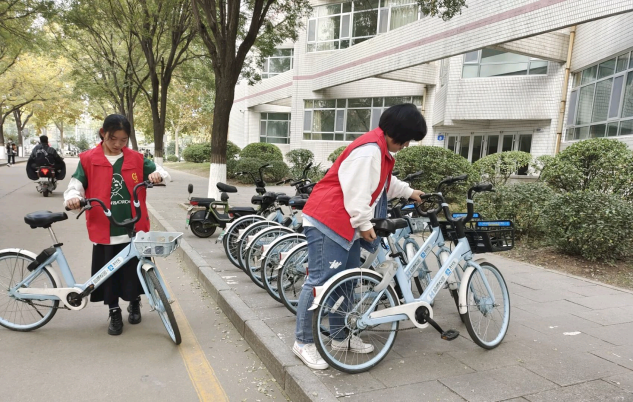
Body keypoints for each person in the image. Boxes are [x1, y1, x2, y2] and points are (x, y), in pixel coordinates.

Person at [293, 103, 427, 370]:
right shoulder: (369, 151)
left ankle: (340, 337)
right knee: (319, 282)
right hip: (328, 221)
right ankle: (303, 342)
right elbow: (357, 192)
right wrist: (364, 223)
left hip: (345, 226)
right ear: (398, 133)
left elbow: (384, 183)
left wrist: (410, 192)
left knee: (346, 282)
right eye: (408, 139)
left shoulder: (380, 149)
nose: (407, 145)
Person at [64, 114, 171, 336]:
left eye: (123, 140)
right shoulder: (88, 159)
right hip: (104, 227)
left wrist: (157, 176)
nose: (118, 144)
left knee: (134, 271)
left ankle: (134, 302)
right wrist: (73, 198)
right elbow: (75, 186)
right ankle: (113, 310)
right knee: (108, 275)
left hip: (134, 227)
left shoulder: (136, 158)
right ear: (103, 133)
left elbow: (162, 173)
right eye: (113, 139)